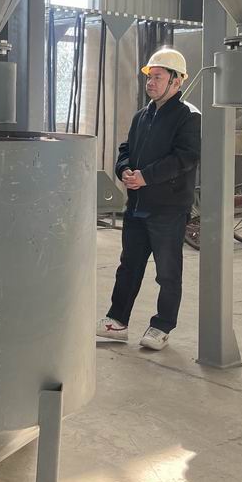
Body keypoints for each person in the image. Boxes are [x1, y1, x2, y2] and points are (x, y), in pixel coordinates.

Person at [96, 47, 201, 351]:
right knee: (128, 266)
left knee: (167, 272)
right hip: (138, 207)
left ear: (176, 81)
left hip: (168, 209)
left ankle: (161, 326)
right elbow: (126, 149)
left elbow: (186, 157)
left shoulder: (188, 116)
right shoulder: (142, 116)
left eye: (158, 77)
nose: (151, 82)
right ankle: (117, 321)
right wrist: (125, 170)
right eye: (149, 77)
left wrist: (147, 177)